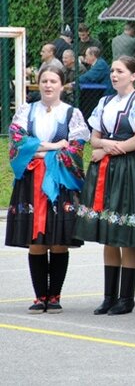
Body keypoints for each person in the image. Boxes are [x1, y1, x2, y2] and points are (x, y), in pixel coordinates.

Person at [74, 55, 135, 315]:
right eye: (112, 70)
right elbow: (94, 139)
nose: (114, 75)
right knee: (109, 235)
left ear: (133, 75)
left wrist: (109, 149)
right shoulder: (105, 101)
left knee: (126, 235)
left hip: (128, 169)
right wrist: (106, 147)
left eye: (120, 71)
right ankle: (109, 296)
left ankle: (126, 298)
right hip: (106, 170)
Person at [5, 65, 90, 313]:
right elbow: (17, 143)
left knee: (58, 240)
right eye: (44, 81)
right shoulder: (26, 111)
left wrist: (39, 150)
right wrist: (51, 147)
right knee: (36, 241)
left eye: (53, 81)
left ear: (62, 85)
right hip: (31, 182)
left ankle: (55, 295)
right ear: (38, 84)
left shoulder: (71, 114)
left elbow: (75, 147)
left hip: (59, 182)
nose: (48, 85)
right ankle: (39, 295)